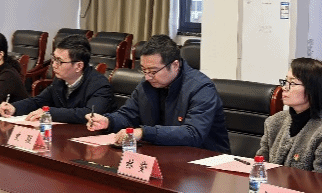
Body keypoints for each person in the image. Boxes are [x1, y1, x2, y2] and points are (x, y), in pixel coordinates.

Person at [86, 35, 229, 152]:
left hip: (204, 161)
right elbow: (128, 115)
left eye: (153, 71)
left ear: (175, 65)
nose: (148, 77)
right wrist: (108, 121)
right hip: (164, 154)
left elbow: (193, 134)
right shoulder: (148, 84)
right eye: (144, 70)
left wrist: (144, 133)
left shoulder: (201, 88)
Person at [257, 58, 322, 177]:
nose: (284, 87)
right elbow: (259, 166)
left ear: (313, 89)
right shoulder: (274, 121)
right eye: (285, 81)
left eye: (292, 83)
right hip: (272, 187)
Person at [2, 35, 113, 123]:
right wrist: (14, 107)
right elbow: (38, 101)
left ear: (78, 66)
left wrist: (50, 112)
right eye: (54, 59)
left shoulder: (99, 85)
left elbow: (90, 114)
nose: (54, 65)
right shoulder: (60, 80)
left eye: (59, 61)